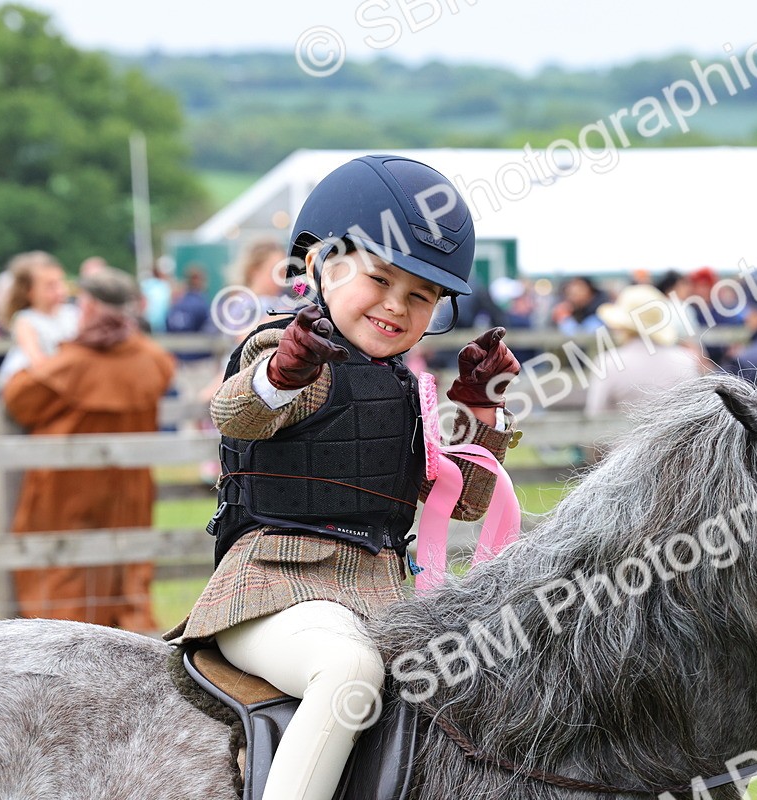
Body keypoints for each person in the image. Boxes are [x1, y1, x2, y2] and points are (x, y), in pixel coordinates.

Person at [163, 154, 521, 800]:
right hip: (272, 592)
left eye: (421, 297)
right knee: (349, 672)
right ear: (317, 265)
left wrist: (478, 406)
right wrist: (283, 375)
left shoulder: (411, 389)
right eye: (380, 281)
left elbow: (461, 502)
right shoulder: (289, 351)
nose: (396, 307)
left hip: (382, 601)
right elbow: (237, 412)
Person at [3, 268, 174, 632]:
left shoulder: (72, 363)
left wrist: (33, 352)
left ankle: (60, 644)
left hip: (66, 485)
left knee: (64, 571)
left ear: (91, 307)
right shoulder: (151, 358)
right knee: (123, 566)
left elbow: (20, 400)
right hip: (129, 484)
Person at [584, 283, 703, 415]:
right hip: (673, 435)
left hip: (622, 435)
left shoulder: (608, 363)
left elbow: (595, 414)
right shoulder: (686, 361)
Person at [0, 251, 78, 385]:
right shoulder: (26, 320)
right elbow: (37, 360)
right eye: (50, 286)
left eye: (60, 282)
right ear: (29, 291)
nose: (59, 290)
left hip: (67, 376)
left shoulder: (71, 313)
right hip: (36, 382)